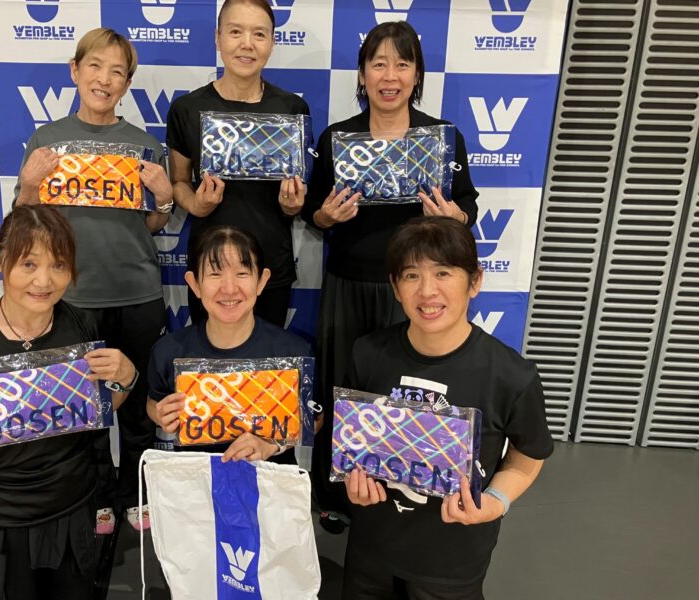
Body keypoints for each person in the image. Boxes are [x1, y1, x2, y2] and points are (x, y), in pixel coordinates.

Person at [302, 20, 480, 528]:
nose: (390, 75)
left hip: (417, 288)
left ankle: (406, 488)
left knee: (406, 392)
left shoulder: (442, 138)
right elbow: (312, 212)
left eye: (402, 64)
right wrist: (324, 217)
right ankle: (337, 496)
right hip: (348, 282)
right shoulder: (338, 138)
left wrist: (455, 216)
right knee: (343, 391)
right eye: (378, 63)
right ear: (362, 74)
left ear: (416, 74)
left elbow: (467, 207)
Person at [0, 205, 138, 600]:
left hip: (71, 503)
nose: (44, 280)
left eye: (58, 265)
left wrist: (127, 377)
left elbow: (98, 410)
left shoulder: (82, 326)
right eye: (29, 264)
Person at [340, 216, 553, 600]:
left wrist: (495, 503)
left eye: (443, 273)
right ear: (396, 287)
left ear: (475, 281)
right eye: (411, 276)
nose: (427, 291)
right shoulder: (367, 353)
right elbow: (353, 442)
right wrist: (352, 482)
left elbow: (529, 453)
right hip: (371, 552)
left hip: (452, 562)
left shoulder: (511, 375)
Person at [13, 27, 173, 531]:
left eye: (117, 72)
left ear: (127, 83)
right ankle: (98, 495)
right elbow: (24, 222)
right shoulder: (46, 141)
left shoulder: (143, 145)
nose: (104, 79)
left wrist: (166, 196)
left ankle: (136, 494)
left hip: (138, 294)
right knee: (84, 408)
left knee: (136, 405)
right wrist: (30, 184)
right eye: (95, 66)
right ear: (75, 70)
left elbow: (152, 224)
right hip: (75, 298)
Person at [166, 0, 310, 328]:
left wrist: (292, 205)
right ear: (218, 39)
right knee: (207, 356)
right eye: (235, 32)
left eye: (259, 34)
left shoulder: (291, 109)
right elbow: (178, 182)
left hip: (269, 266)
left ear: (272, 42)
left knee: (269, 355)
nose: (247, 44)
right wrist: (196, 204)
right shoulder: (187, 109)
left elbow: (297, 190)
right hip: (210, 268)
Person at [147, 225, 313, 464]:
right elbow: (153, 403)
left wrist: (272, 445)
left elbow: (313, 419)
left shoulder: (292, 351)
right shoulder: (169, 351)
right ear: (195, 284)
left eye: (242, 273)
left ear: (261, 281)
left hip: (270, 481)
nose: (229, 288)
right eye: (215, 274)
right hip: (194, 479)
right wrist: (162, 415)